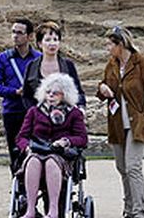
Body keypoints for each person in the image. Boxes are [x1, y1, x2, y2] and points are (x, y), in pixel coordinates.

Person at [97, 26, 144, 218]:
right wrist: (103, 89)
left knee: (133, 166)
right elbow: (104, 87)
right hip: (117, 123)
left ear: (121, 44)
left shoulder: (142, 63)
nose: (107, 48)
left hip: (137, 124)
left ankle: (139, 211)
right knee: (122, 167)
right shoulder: (111, 64)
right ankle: (129, 208)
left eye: (110, 44)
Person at [15, 72, 89, 218]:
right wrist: (26, 147)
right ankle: (30, 210)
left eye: (55, 93)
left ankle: (53, 211)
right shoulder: (34, 111)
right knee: (33, 161)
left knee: (51, 162)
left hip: (60, 155)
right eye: (48, 92)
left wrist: (66, 141)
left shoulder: (74, 113)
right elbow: (21, 137)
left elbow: (82, 139)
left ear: (65, 94)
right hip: (37, 150)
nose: (50, 95)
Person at [0, 18, 42, 173]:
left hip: (34, 111)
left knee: (37, 151)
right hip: (12, 111)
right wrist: (14, 92)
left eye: (20, 33)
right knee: (15, 152)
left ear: (29, 36)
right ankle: (17, 182)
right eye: (13, 32)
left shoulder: (39, 58)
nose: (15, 36)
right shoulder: (4, 58)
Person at [22, 21, 86, 110]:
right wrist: (35, 111)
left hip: (66, 113)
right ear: (40, 43)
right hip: (40, 114)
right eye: (48, 40)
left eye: (55, 39)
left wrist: (81, 109)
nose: (52, 43)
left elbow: (78, 92)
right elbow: (26, 96)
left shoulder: (68, 65)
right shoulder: (31, 66)